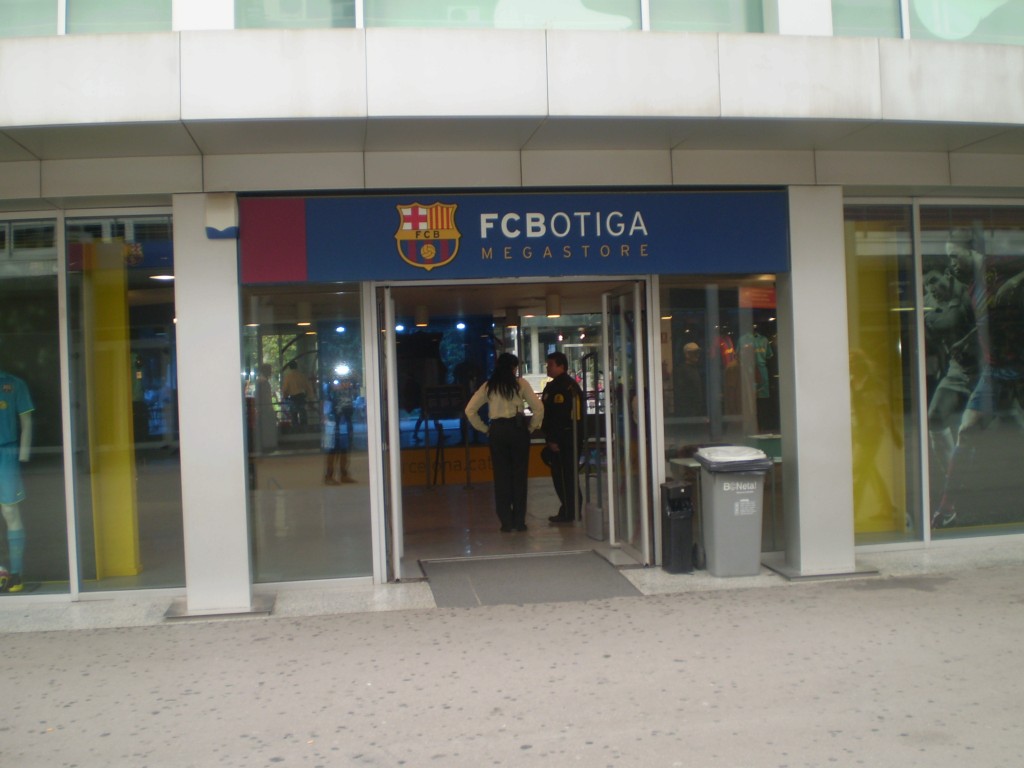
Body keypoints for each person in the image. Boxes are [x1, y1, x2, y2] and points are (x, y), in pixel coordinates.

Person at [465, 353, 543, 532]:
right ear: (513, 368)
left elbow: (470, 410)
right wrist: (531, 428)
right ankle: (519, 521)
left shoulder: (489, 386)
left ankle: (506, 522)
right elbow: (538, 408)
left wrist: (485, 429)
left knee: (501, 477)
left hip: (497, 431)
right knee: (519, 476)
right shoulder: (521, 384)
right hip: (517, 430)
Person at [541, 351, 584, 524]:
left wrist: (553, 439)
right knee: (564, 475)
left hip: (565, 438)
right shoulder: (560, 386)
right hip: (566, 437)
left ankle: (570, 510)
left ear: (561, 366)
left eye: (551, 364)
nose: (548, 367)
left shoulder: (563, 387)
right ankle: (570, 508)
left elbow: (559, 417)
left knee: (565, 476)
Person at [0, 369, 33, 593]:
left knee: (10, 510)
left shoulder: (13, 384)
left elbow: (26, 422)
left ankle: (16, 572)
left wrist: (23, 455)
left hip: (6, 453)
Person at [324, 375, 357, 484]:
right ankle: (329, 476)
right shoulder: (330, 394)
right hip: (333, 425)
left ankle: (344, 475)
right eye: (343, 382)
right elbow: (326, 410)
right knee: (332, 451)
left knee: (345, 450)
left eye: (347, 381)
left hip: (345, 424)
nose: (345, 384)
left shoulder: (349, 394)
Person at [281, 361, 315, 426]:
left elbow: (285, 390)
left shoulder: (288, 377)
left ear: (290, 367)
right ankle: (304, 428)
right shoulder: (302, 375)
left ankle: (295, 428)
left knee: (294, 416)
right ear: (297, 366)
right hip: (301, 397)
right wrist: (311, 398)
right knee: (303, 415)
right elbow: (309, 388)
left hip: (293, 398)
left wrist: (285, 398)